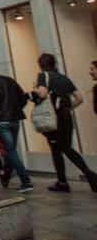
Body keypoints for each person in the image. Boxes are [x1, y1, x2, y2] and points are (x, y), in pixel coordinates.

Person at [34, 53, 97, 193]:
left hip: (54, 119)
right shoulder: (63, 78)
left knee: (62, 148)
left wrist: (35, 90)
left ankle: (90, 176)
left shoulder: (43, 76)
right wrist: (68, 108)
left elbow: (43, 94)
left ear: (41, 64)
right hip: (66, 116)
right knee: (61, 148)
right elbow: (79, 98)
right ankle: (62, 181)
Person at [0, 56, 32, 193]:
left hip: (1, 120)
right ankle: (6, 177)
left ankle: (26, 181)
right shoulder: (10, 81)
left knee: (10, 151)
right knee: (10, 150)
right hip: (15, 119)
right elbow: (23, 98)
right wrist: (16, 109)